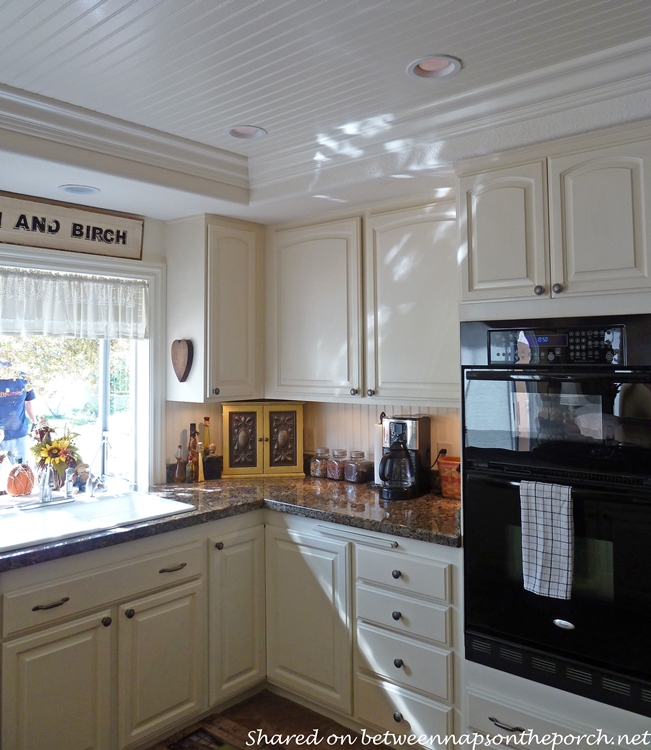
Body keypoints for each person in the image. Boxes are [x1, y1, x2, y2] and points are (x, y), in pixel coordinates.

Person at [0, 359, 36, 463]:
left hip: (19, 434)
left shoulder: (24, 379)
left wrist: (34, 422)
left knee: (20, 469)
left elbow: (28, 402)